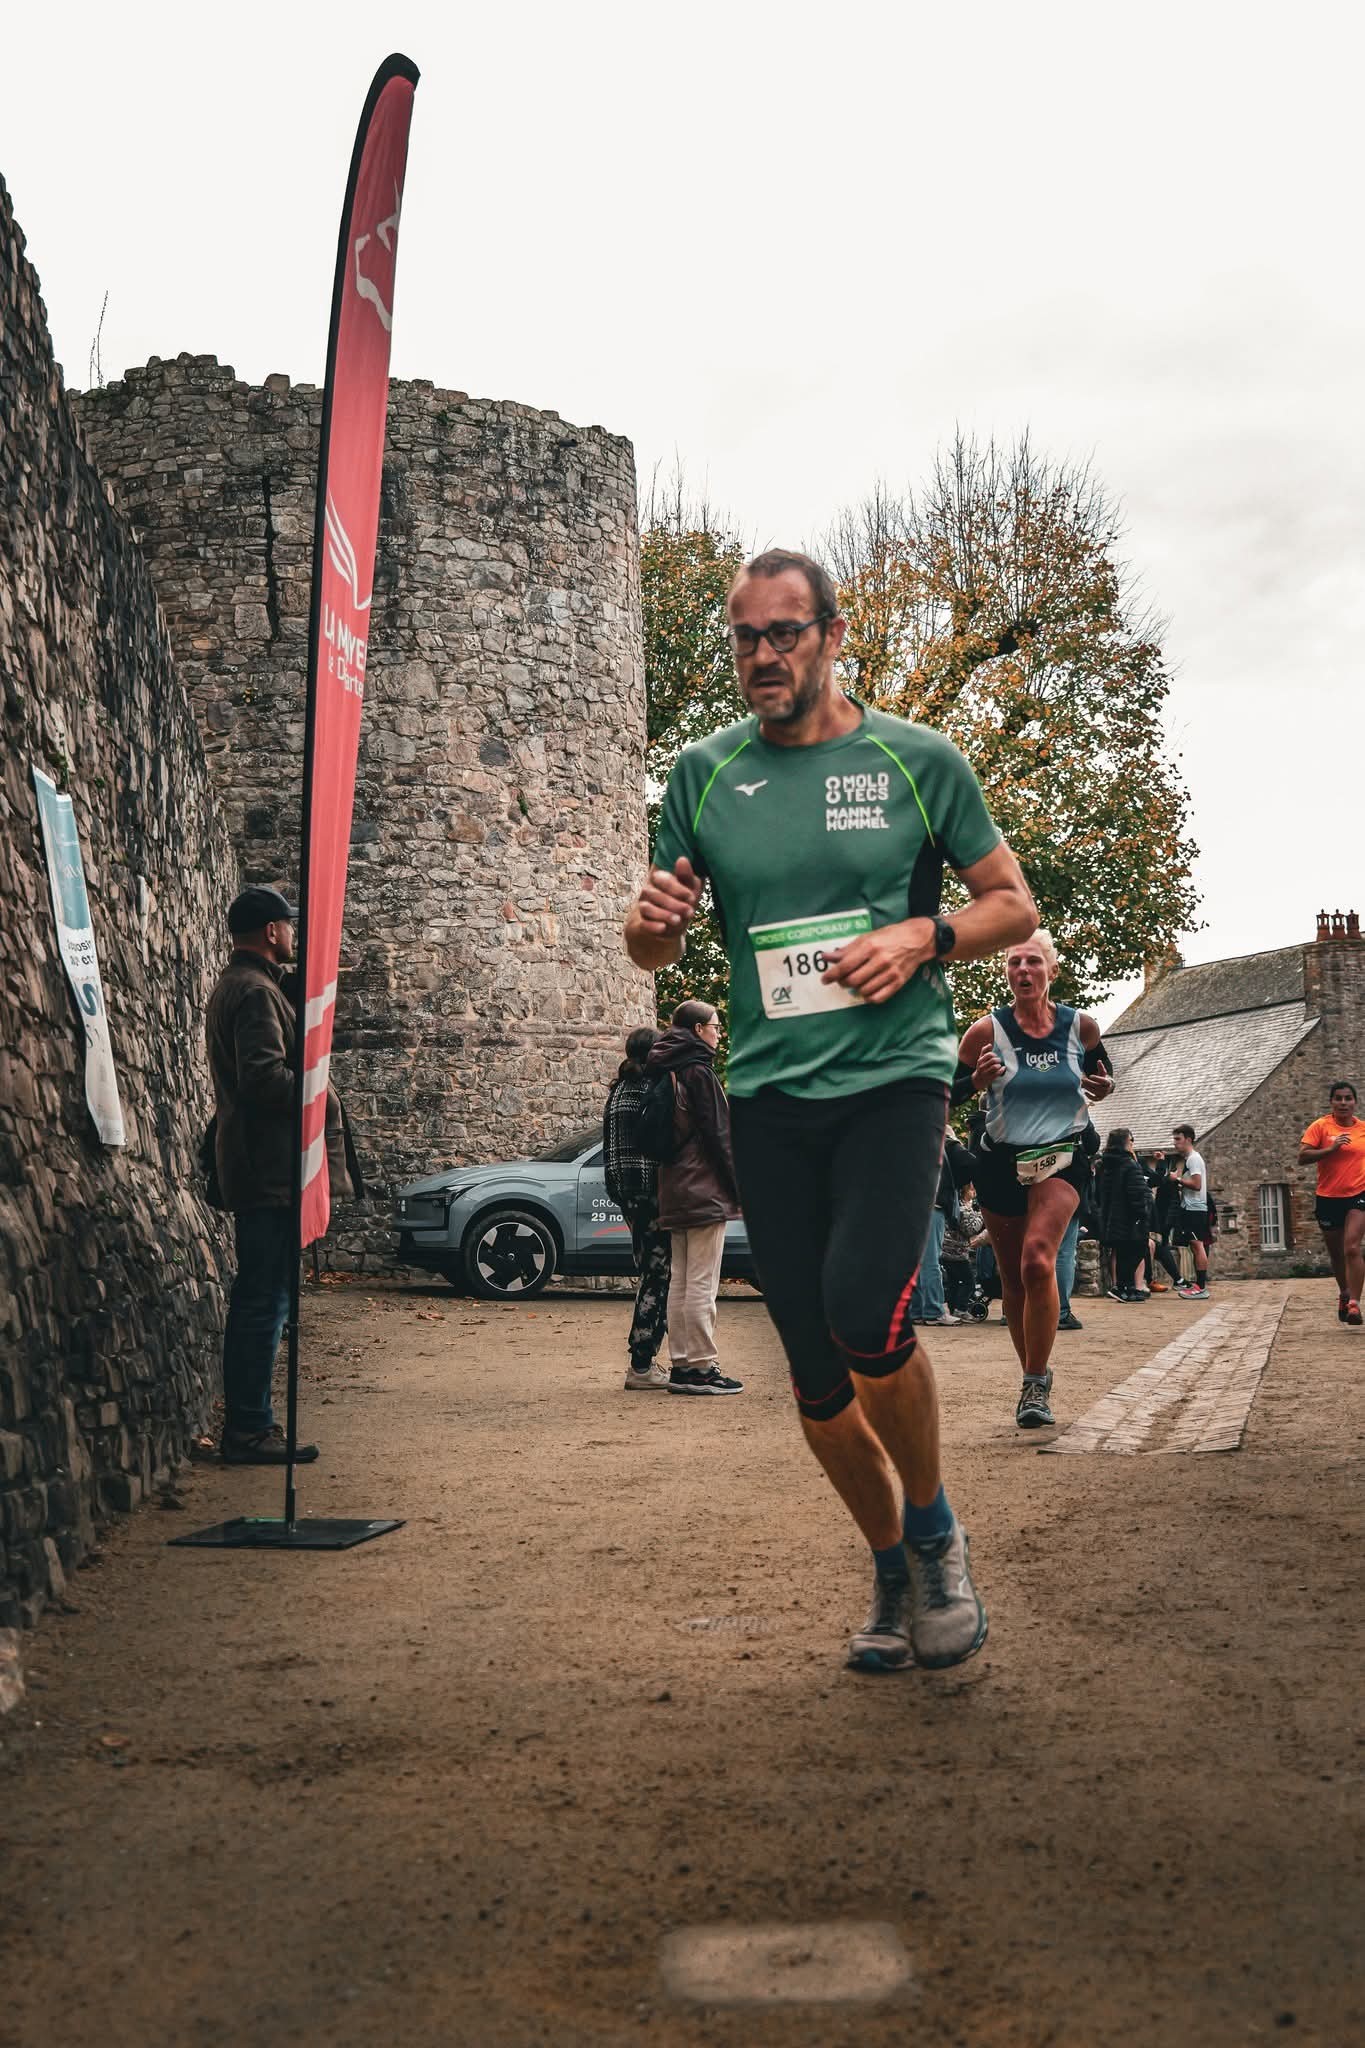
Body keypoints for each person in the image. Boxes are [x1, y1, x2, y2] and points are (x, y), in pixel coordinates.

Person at [625, 547, 1037, 1673]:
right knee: (813, 1373)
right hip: (769, 1096)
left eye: (784, 632)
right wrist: (651, 925)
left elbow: (1011, 903)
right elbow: (652, 945)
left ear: (833, 636)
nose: (762, 654)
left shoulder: (917, 760)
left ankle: (938, 1534)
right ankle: (891, 1565)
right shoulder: (703, 774)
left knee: (868, 1310)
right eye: (745, 637)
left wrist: (924, 934)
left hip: (894, 1079)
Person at [959, 930, 1113, 1428]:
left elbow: (1104, 1075)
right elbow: (944, 1091)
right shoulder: (985, 1032)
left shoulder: (1080, 1027)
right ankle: (1034, 1373)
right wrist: (976, 1082)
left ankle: (1033, 1383)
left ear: (1051, 970)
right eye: (1014, 963)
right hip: (1001, 1160)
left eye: (1032, 962)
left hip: (1062, 1155)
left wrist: (1105, 1086)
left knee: (1037, 1259)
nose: (1023, 970)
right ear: (1006, 972)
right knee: (1013, 1278)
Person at [206, 887, 329, 1464]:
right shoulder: (255, 992)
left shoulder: (244, 984)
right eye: (288, 925)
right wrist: (318, 1089)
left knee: (263, 1296)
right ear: (272, 931)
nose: (294, 933)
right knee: (265, 1300)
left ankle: (251, 1424)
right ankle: (249, 1429)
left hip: (258, 1161)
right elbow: (263, 1079)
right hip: (267, 1165)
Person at [645, 1001, 744, 1395]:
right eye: (716, 1026)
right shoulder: (699, 1071)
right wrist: (739, 1188)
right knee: (702, 1281)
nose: (719, 1033)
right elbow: (720, 1135)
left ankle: (682, 1363)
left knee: (681, 1281)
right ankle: (702, 1366)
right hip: (703, 1187)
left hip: (673, 1185)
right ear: (699, 1029)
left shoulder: (664, 1068)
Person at [602, 1026, 672, 1389]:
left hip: (626, 1192)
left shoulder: (618, 1091)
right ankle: (642, 1362)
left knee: (650, 1270)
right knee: (659, 1274)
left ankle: (643, 1361)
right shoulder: (651, 1089)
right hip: (649, 1192)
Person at [1298, 1080, 1365, 1325]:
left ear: (1355, 1102)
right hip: (1328, 1197)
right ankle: (1345, 1293)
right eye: (1339, 1098)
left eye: (1348, 1098)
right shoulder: (1320, 1126)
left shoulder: (1363, 1129)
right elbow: (1302, 1157)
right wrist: (1331, 1149)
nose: (1343, 1103)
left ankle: (1355, 1304)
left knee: (1352, 1248)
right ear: (1331, 1102)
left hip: (1358, 1194)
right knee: (1337, 1254)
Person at [1095, 1129, 1152, 1301]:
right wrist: (1143, 1211)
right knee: (1137, 1250)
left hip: (1113, 1217)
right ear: (1125, 1142)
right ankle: (1124, 1287)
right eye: (1131, 1140)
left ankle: (1125, 1287)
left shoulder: (1105, 1164)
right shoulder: (1130, 1164)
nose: (1133, 1143)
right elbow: (1137, 1192)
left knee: (1123, 1253)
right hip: (1130, 1217)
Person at [1170, 1123, 1212, 1299]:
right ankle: (1198, 1286)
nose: (1175, 1143)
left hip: (1195, 1209)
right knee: (1195, 1246)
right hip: (1192, 1208)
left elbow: (1197, 1184)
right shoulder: (1191, 1159)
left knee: (1197, 1245)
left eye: (1178, 1139)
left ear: (1188, 1139)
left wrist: (1177, 1179)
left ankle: (1201, 1287)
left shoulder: (1194, 1159)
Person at [941, 1182, 987, 1318]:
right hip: (957, 1252)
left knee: (953, 1282)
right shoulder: (963, 1209)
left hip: (947, 1251)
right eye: (971, 1190)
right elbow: (970, 1229)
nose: (974, 1192)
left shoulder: (957, 1206)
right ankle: (961, 1308)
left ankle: (953, 1309)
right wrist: (981, 1215)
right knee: (969, 1282)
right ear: (964, 1192)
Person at [1144, 1150, 1182, 1291]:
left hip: (1144, 1218)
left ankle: (1177, 1279)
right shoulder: (1128, 1165)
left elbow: (1155, 1179)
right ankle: (1147, 1281)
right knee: (1150, 1246)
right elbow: (1155, 1180)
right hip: (1130, 1220)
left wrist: (1161, 1162)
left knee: (1158, 1247)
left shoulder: (1136, 1162)